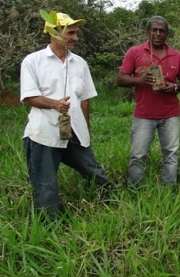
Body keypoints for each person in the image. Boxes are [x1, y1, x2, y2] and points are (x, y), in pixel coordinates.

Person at [20, 12, 113, 220]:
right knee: (45, 185)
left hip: (75, 132)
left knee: (94, 171)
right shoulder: (33, 61)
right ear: (54, 32)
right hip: (43, 134)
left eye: (76, 33)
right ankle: (49, 228)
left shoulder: (80, 63)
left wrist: (86, 131)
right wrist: (55, 104)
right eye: (71, 33)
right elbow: (28, 97)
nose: (76, 38)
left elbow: (86, 98)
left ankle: (113, 205)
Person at [117, 16, 180, 187]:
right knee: (138, 154)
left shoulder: (176, 55)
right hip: (144, 114)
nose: (158, 34)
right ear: (148, 32)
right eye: (154, 30)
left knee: (171, 153)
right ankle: (135, 190)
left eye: (162, 31)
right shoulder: (135, 52)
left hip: (170, 113)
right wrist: (140, 80)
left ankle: (169, 189)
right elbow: (120, 79)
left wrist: (174, 87)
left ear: (167, 34)